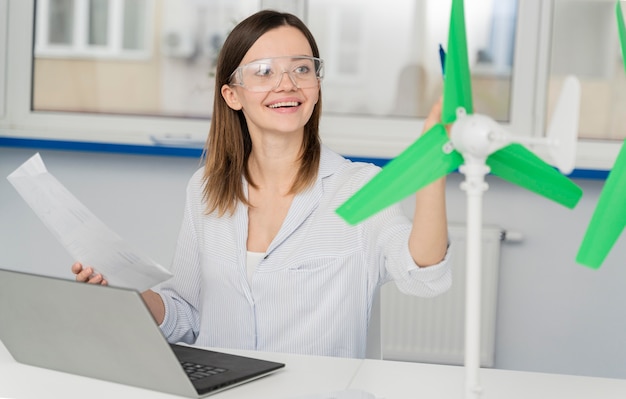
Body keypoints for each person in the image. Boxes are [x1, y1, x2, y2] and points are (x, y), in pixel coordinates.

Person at [72, 9, 452, 359]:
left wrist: (432, 170)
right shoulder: (205, 189)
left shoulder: (361, 186)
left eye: (302, 70)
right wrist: (128, 297)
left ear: (317, 85)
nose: (287, 85)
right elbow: (185, 315)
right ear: (232, 95)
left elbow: (424, 275)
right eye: (264, 71)